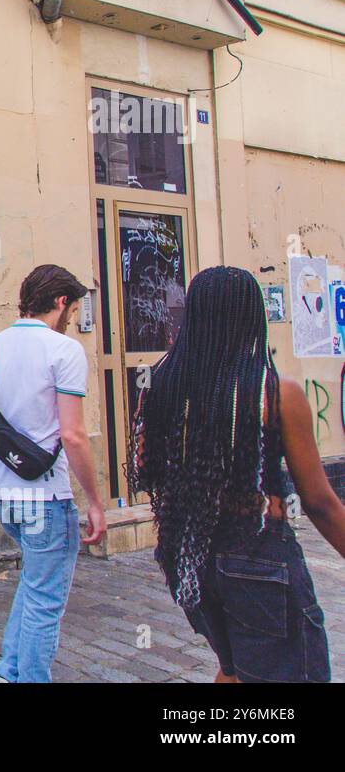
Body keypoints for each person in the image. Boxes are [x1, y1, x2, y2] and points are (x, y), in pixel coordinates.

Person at [129, 265, 345, 683]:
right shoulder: (276, 392)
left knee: (234, 670)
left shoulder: (156, 386)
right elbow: (319, 501)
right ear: (253, 318)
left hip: (188, 560)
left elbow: (146, 471)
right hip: (259, 560)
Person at [0, 264, 107, 682]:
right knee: (46, 603)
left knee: (32, 589)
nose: (73, 319)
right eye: (74, 308)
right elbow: (74, 435)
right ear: (61, 303)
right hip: (47, 498)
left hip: (8, 497)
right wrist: (96, 502)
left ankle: (8, 674)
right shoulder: (64, 351)